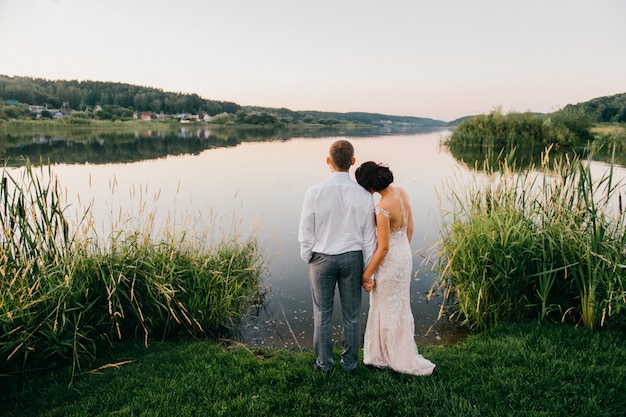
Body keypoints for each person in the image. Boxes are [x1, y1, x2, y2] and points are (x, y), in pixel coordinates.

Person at [298, 140, 377, 372]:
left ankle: (324, 364)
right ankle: (350, 364)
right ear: (352, 162)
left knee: (322, 314)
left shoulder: (314, 192)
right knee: (352, 315)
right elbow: (368, 237)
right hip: (352, 259)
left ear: (328, 161)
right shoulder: (364, 195)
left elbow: (306, 230)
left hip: (321, 258)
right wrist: (368, 270)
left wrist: (308, 256)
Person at [355, 161, 436, 376]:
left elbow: (382, 249)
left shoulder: (382, 209)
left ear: (370, 188)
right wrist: (403, 251)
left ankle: (386, 354)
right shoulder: (401, 192)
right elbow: (410, 227)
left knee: (385, 306)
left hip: (389, 260)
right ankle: (395, 350)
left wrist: (366, 274)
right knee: (398, 305)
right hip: (404, 255)